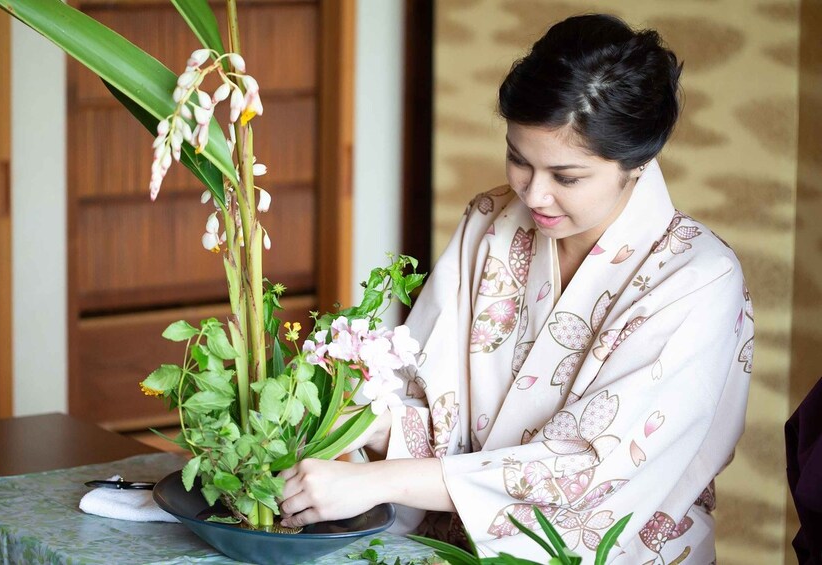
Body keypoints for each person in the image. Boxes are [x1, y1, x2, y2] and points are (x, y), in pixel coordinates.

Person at [279, 13, 753, 565]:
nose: (534, 195)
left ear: (639, 160)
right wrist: (353, 418)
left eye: (566, 177)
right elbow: (430, 403)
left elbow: (592, 475)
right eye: (518, 160)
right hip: (452, 546)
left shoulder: (697, 279)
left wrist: (382, 481)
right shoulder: (491, 219)